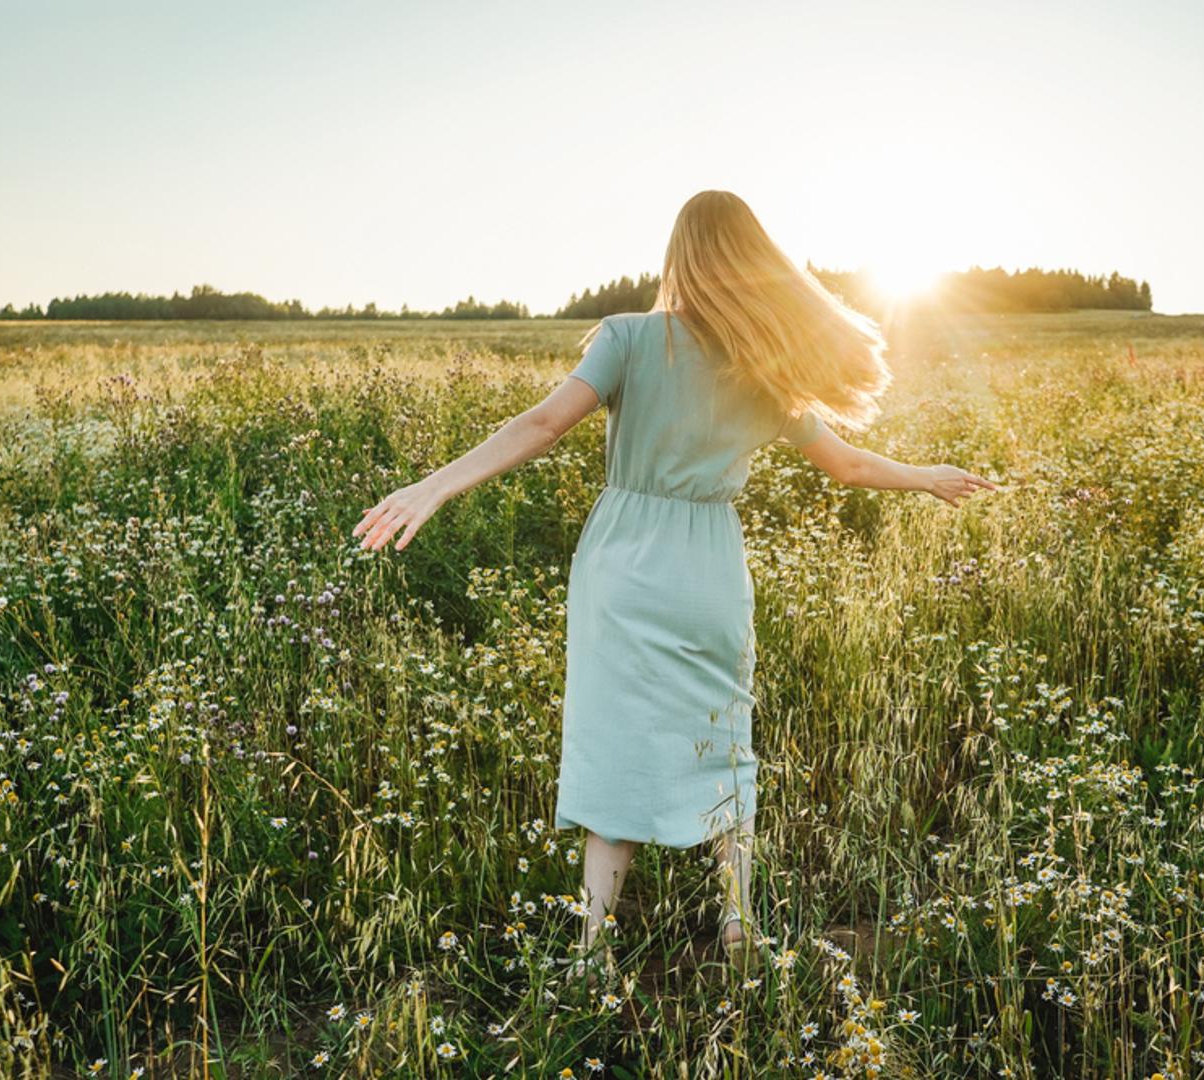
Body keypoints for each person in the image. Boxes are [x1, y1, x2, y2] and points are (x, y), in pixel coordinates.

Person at [351, 190, 997, 985]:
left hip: (624, 564)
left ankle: (591, 953)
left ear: (679, 255)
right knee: (725, 738)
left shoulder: (626, 339)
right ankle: (738, 924)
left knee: (610, 740)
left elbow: (541, 425)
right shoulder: (767, 367)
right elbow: (850, 465)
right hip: (710, 568)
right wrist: (925, 476)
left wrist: (436, 486)